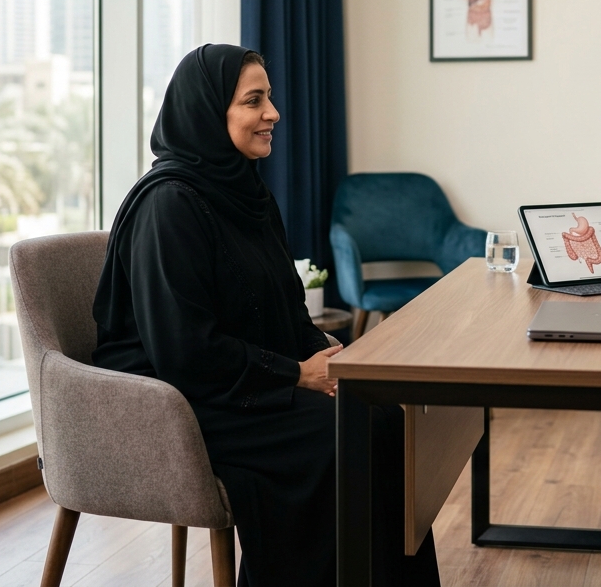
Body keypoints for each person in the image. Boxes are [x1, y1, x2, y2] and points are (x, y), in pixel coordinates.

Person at [91, 44, 440, 587]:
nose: (273, 113)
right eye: (254, 101)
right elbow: (185, 350)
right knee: (344, 436)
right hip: (178, 402)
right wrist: (296, 374)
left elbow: (284, 306)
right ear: (210, 112)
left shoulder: (248, 194)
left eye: (269, 98)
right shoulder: (169, 206)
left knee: (384, 417)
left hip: (240, 379)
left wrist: (331, 358)